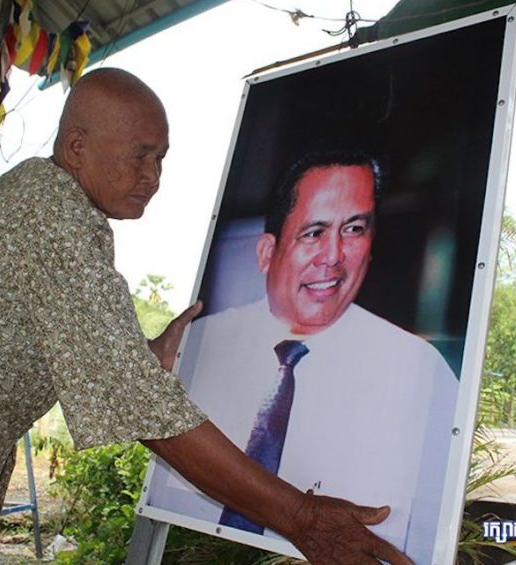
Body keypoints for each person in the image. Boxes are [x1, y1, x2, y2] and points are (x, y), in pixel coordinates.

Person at [0, 69, 412, 564]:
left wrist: (143, 357)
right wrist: (301, 519)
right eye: (139, 155)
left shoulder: (58, 209)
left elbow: (92, 354)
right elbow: (140, 408)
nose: (154, 176)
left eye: (162, 157)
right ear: (77, 147)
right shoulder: (49, 216)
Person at [149, 151, 459, 564]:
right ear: (265, 252)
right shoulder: (196, 344)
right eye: (314, 232)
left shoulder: (420, 371)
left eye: (353, 229)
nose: (333, 255)